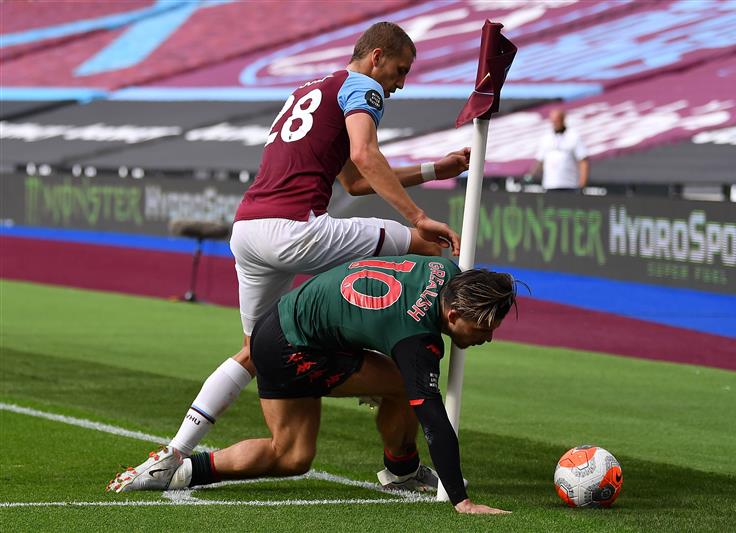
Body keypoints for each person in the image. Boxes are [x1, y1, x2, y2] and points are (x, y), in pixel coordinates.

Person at [111, 22, 469, 489]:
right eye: (399, 71)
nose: (399, 83)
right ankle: (408, 351)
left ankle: (173, 455)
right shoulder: (363, 87)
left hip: (248, 231)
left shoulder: (313, 88)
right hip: (293, 230)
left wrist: (432, 170)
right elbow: (365, 157)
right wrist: (418, 216)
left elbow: (354, 184)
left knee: (255, 351)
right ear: (376, 56)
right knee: (430, 244)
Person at [109, 254, 518, 514]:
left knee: (389, 391)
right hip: (292, 347)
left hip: (294, 323)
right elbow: (433, 419)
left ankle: (402, 469)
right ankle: (181, 472)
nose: (488, 338)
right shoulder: (417, 343)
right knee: (292, 456)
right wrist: (461, 500)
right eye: (483, 328)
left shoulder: (445, 269)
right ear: (453, 315)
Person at [524, 108, 589, 191]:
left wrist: (582, 185)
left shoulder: (574, 137)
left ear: (563, 120)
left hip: (569, 186)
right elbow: (540, 161)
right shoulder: (546, 138)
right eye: (552, 121)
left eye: (557, 120)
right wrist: (530, 176)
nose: (554, 123)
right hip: (549, 186)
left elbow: (583, 161)